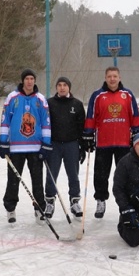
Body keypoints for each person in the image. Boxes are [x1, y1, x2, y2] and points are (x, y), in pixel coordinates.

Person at [82, 66, 139, 219]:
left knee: (126, 175)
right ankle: (101, 200)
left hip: (123, 143)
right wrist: (88, 135)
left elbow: (134, 115)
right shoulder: (97, 95)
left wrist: (137, 132)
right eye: (109, 76)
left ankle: (128, 201)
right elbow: (91, 117)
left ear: (119, 77)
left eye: (115, 76)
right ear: (105, 77)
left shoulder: (127, 95)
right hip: (104, 143)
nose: (112, 79)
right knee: (101, 175)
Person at [0, 69, 51, 223]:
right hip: (16, 148)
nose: (29, 81)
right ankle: (11, 209)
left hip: (35, 147)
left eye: (32, 78)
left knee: (37, 180)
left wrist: (46, 144)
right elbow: (5, 120)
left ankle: (39, 209)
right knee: (13, 180)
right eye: (27, 78)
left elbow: (46, 123)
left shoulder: (40, 99)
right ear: (22, 80)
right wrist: (3, 141)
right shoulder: (12, 98)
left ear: (34, 81)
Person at [44, 76, 86, 218]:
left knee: (73, 175)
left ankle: (74, 201)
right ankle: (49, 201)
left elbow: (82, 127)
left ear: (69, 87)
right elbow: (44, 124)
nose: (62, 87)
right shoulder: (49, 103)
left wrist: (83, 147)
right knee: (51, 175)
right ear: (56, 87)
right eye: (59, 85)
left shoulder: (77, 104)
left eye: (65, 85)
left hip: (71, 145)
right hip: (54, 145)